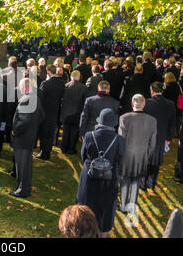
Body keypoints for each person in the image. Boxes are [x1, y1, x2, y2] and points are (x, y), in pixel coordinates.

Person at [76, 108, 124, 238]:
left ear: (100, 122)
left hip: (89, 177)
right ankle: (103, 234)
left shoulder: (88, 135)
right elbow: (121, 160)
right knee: (106, 209)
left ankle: (83, 232)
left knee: (85, 205)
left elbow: (83, 156)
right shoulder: (119, 140)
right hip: (109, 180)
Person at [118, 94, 157, 214]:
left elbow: (121, 139)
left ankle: (123, 205)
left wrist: (119, 155)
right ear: (144, 105)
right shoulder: (152, 120)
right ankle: (131, 205)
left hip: (126, 156)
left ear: (132, 104)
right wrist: (147, 155)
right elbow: (153, 143)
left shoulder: (124, 117)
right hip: (142, 156)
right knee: (136, 181)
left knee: (125, 181)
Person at [10, 78, 45, 197]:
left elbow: (24, 120)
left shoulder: (26, 99)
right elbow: (42, 116)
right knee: (26, 165)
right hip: (29, 136)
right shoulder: (36, 98)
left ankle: (22, 190)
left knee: (22, 166)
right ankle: (25, 188)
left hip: (22, 138)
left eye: (20, 87)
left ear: (25, 87)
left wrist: (15, 131)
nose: (19, 89)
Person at [140, 82, 176, 190]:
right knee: (156, 161)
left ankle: (143, 184)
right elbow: (172, 123)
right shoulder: (170, 104)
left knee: (145, 160)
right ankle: (151, 183)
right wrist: (168, 138)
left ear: (152, 90)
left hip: (147, 135)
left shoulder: (147, 103)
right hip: (161, 136)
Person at [36, 64, 65, 160]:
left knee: (44, 133)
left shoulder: (45, 83)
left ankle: (43, 152)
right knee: (51, 132)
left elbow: (40, 97)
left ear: (48, 72)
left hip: (45, 111)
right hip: (55, 111)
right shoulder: (62, 83)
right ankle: (47, 152)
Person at [60, 70, 88, 154]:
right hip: (77, 112)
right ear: (79, 77)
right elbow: (85, 101)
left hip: (66, 112)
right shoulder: (84, 87)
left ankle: (64, 147)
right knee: (74, 132)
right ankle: (71, 149)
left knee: (66, 130)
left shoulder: (66, 86)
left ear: (71, 77)